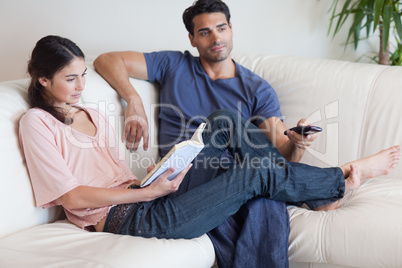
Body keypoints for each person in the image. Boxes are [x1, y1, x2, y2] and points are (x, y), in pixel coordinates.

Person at [20, 35, 400, 268]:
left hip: (143, 195)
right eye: (71, 78)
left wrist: (153, 175)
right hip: (129, 219)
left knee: (224, 118)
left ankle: (319, 190)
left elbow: (118, 174)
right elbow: (72, 195)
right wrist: (148, 192)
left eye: (84, 74)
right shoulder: (36, 122)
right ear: (42, 80)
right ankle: (339, 179)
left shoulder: (92, 112)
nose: (82, 85)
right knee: (255, 175)